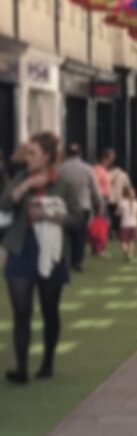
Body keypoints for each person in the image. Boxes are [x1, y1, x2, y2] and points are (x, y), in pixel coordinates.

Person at [0, 131, 82, 384]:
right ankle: (22, 368)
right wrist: (25, 187)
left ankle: (47, 362)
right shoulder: (21, 178)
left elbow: (78, 221)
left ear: (46, 157)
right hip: (21, 248)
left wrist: (52, 216)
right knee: (21, 311)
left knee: (49, 309)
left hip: (52, 251)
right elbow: (3, 204)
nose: (28, 158)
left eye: (33, 154)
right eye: (28, 153)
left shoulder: (63, 184)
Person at [58, 143, 102, 270]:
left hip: (66, 205)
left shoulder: (61, 169)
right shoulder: (87, 168)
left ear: (67, 154)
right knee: (81, 234)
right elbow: (94, 188)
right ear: (80, 153)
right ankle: (78, 261)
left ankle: (68, 259)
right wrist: (98, 202)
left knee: (68, 234)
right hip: (84, 205)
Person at [116, 185, 137, 262]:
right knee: (131, 241)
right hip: (133, 224)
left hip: (124, 225)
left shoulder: (122, 202)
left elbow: (118, 213)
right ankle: (130, 254)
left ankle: (125, 250)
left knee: (123, 240)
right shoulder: (136, 203)